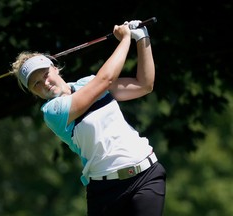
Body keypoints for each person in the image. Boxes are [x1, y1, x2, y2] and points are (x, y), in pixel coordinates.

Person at [10, 20, 166, 216]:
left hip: (146, 175)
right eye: (36, 84)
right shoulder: (52, 112)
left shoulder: (88, 83)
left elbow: (144, 85)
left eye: (45, 74)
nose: (45, 83)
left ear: (55, 68)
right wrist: (126, 39)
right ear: (34, 93)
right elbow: (105, 79)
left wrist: (141, 37)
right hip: (106, 192)